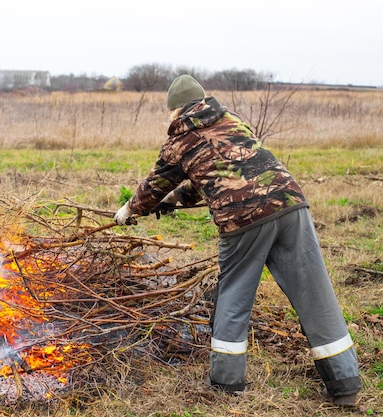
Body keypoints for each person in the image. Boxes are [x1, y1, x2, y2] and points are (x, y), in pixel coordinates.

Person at [113, 75, 362, 406]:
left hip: (243, 219)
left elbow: (151, 189)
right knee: (315, 291)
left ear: (175, 110)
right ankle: (345, 384)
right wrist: (175, 199)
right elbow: (224, 175)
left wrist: (128, 211)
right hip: (289, 204)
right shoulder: (232, 121)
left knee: (234, 293)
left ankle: (227, 383)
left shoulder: (180, 139)